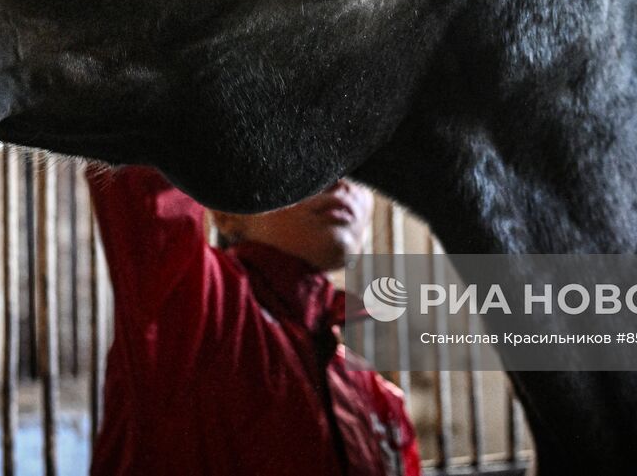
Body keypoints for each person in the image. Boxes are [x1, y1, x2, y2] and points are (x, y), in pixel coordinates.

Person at [88, 164, 421, 476]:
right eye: (301, 158)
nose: (339, 181)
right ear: (225, 212)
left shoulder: (382, 401)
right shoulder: (194, 307)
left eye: (358, 170)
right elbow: (145, 157)